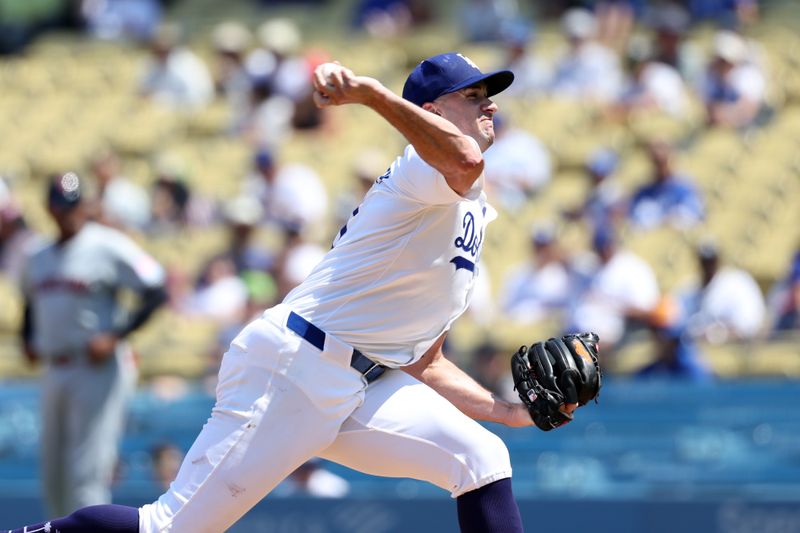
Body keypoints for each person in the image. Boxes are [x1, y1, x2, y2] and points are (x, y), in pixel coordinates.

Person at [7, 52, 581, 533]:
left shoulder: (461, 208)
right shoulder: (420, 170)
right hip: (294, 366)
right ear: (430, 111)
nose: (491, 103)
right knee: (169, 527)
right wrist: (375, 96)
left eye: (489, 94)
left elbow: (424, 357)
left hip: (352, 381)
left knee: (481, 458)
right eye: (473, 94)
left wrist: (506, 411)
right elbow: (462, 157)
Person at [18, 172, 168, 518]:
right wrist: (28, 338)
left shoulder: (106, 244)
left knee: (85, 475)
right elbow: (29, 301)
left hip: (96, 368)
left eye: (73, 205)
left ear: (84, 205)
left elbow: (156, 289)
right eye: (60, 206)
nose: (67, 212)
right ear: (49, 209)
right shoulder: (37, 254)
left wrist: (115, 335)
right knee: (53, 477)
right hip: (54, 367)